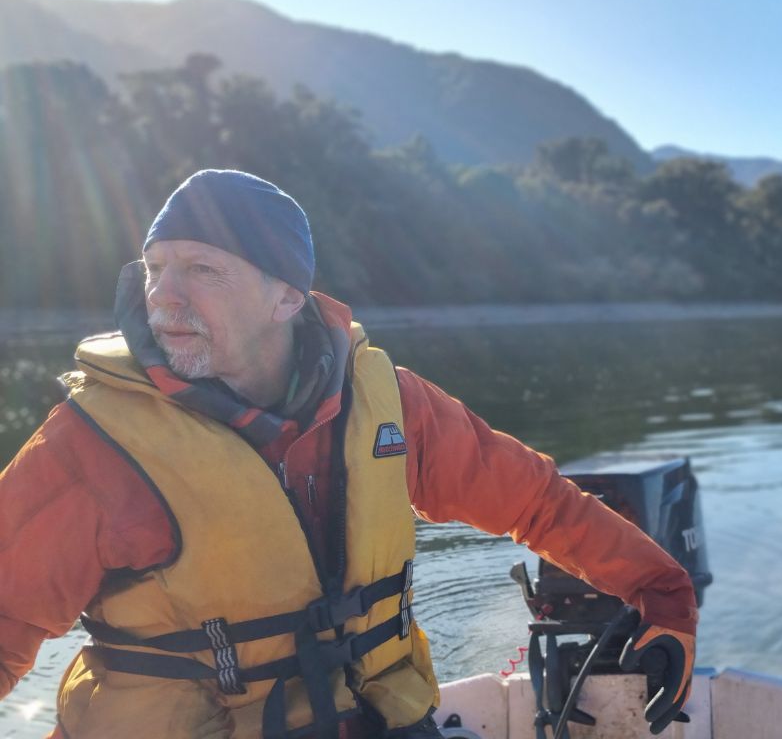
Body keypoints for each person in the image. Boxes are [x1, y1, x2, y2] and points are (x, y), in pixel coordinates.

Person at [0, 170, 698, 739]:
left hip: (375, 722)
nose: (162, 298)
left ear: (286, 298)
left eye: (202, 269)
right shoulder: (89, 447)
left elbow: (538, 502)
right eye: (154, 268)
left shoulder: (392, 405)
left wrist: (661, 594)